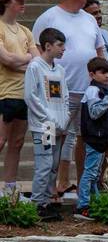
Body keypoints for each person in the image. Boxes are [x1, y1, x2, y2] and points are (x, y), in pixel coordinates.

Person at [32, 0, 105, 202]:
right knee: (54, 135)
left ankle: (83, 187)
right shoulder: (48, 17)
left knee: (85, 137)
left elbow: (99, 50)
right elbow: (36, 49)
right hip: (58, 93)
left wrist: (101, 79)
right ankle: (47, 188)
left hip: (88, 92)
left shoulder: (89, 19)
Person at [23, 28, 70, 221]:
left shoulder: (59, 70)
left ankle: (47, 201)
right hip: (45, 126)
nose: (63, 49)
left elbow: (65, 96)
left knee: (54, 165)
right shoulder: (35, 67)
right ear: (47, 46)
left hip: (59, 125)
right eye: (60, 45)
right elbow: (31, 96)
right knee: (45, 164)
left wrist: (64, 118)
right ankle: (37, 205)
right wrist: (47, 118)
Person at [0, 0, 38, 198]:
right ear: (6, 2)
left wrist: (20, 61)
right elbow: (6, 60)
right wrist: (26, 59)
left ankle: (10, 188)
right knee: (1, 140)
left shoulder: (26, 31)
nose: (22, 2)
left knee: (17, 142)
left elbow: (37, 61)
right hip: (4, 94)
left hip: (25, 95)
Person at [73, 57, 108, 222]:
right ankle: (83, 206)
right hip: (94, 138)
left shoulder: (100, 90)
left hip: (101, 138)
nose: (107, 76)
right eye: (103, 72)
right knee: (89, 172)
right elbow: (95, 112)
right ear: (92, 74)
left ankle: (96, 202)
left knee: (95, 173)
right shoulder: (93, 91)